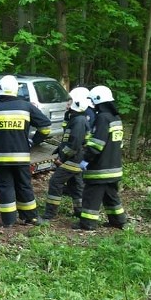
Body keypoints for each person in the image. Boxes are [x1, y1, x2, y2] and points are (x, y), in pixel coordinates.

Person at [0, 75, 51, 227]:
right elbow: (45, 127)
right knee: (24, 185)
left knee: (5, 187)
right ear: (15, 90)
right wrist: (32, 141)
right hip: (21, 156)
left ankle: (8, 221)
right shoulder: (26, 107)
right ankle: (30, 218)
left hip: (0, 158)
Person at [74, 85, 127, 231]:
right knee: (111, 196)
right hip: (114, 167)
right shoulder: (115, 118)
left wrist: (86, 159)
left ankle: (87, 223)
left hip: (100, 168)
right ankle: (118, 220)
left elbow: (97, 144)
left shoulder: (103, 118)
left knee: (91, 195)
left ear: (98, 100)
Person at [42, 90, 91, 220]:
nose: (67, 103)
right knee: (75, 185)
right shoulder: (76, 118)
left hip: (73, 159)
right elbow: (70, 140)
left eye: (70, 101)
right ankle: (79, 211)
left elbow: (74, 144)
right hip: (77, 158)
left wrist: (61, 158)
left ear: (76, 103)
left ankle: (49, 214)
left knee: (55, 182)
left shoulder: (78, 121)